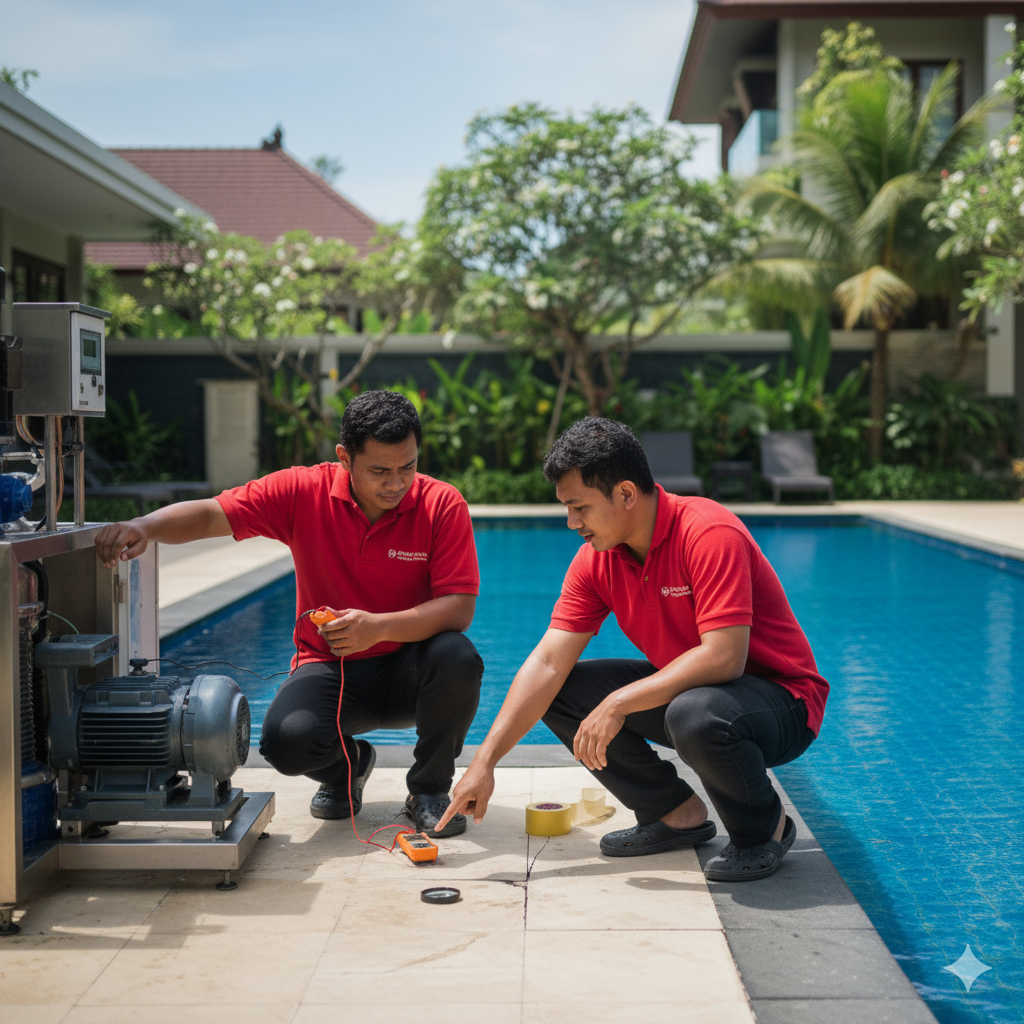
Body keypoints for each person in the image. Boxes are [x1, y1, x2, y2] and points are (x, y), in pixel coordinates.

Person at [436, 417, 828, 880]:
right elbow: (546, 662)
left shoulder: (707, 533)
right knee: (562, 690)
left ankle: (765, 829)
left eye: (579, 507)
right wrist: (484, 763)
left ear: (625, 494)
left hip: (782, 701)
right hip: (700, 693)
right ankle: (673, 813)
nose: (571, 523)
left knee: (693, 714)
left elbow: (725, 656)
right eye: (567, 508)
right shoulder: (597, 559)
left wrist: (619, 702)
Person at [95, 389, 483, 838]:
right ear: (344, 457)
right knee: (284, 742)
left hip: (412, 673)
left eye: (407, 467)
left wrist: (378, 628)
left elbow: (459, 607)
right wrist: (145, 527)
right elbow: (210, 515)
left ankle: (430, 790)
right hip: (330, 666)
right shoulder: (303, 491)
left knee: (457, 655)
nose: (396, 483)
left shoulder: (442, 504)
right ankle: (348, 770)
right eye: (380, 470)